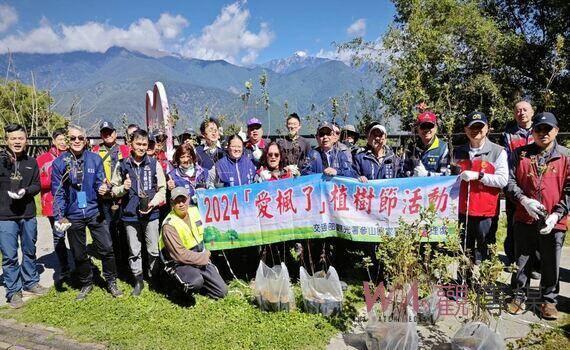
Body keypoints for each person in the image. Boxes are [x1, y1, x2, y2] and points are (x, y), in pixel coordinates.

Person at [506, 112, 568, 320]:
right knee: (522, 259)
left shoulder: (566, 157)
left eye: (547, 129)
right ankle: (519, 295)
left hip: (554, 221)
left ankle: (548, 300)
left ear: (556, 131)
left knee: (551, 261)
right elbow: (510, 182)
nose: (542, 133)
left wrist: (557, 215)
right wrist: (523, 200)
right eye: (538, 129)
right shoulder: (520, 154)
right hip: (525, 217)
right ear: (532, 132)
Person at [51, 125, 122, 300]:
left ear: (85, 140)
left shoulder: (94, 159)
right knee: (79, 252)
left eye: (80, 138)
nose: (76, 141)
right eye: (73, 138)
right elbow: (57, 192)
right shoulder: (60, 163)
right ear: (67, 140)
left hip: (94, 210)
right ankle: (86, 282)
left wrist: (103, 188)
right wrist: (60, 216)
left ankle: (111, 281)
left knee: (106, 248)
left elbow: (99, 182)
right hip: (73, 213)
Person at [111, 129, 167, 296]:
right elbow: (113, 189)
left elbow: (162, 189)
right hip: (130, 214)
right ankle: (138, 280)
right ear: (131, 144)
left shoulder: (154, 163)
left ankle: (154, 277)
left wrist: (153, 202)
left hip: (151, 213)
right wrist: (123, 188)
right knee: (134, 250)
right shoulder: (122, 165)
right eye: (138, 144)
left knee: (153, 249)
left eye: (144, 144)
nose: (142, 147)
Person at [0, 124, 47, 308]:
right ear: (6, 141)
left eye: (20, 138)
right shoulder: (1, 161)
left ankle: (31, 282)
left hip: (27, 214)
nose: (17, 142)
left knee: (29, 250)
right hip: (5, 216)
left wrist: (26, 191)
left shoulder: (32, 162)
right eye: (13, 138)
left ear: (26, 140)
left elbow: (37, 185)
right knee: (10, 255)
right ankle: (13, 291)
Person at [453, 112, 508, 264]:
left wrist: (479, 175)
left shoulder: (498, 151)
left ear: (487, 128)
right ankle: (464, 284)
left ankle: (486, 284)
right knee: (464, 250)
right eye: (472, 127)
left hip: (486, 212)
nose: (476, 130)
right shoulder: (458, 152)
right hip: (462, 210)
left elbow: (503, 180)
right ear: (466, 129)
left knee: (486, 250)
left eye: (480, 127)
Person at [159, 187, 227, 299]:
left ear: (189, 199)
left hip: (198, 256)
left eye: (183, 200)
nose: (181, 204)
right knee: (195, 282)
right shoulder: (169, 225)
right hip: (179, 263)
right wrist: (204, 257)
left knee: (221, 292)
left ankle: (199, 282)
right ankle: (174, 287)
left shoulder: (195, 211)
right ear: (172, 203)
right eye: (177, 201)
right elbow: (180, 255)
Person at [91, 121, 130, 274]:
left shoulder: (125, 149)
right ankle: (113, 262)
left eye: (110, 132)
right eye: (104, 133)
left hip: (122, 194)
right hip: (105, 197)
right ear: (101, 135)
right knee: (108, 229)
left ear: (115, 133)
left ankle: (125, 259)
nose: (108, 135)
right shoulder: (95, 151)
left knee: (124, 228)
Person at [502, 101, 535, 265]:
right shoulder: (508, 135)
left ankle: (536, 262)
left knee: (537, 222)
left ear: (532, 112)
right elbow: (506, 161)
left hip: (536, 184)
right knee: (513, 223)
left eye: (525, 110)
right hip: (514, 184)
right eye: (518, 110)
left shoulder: (540, 130)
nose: (521, 113)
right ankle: (512, 258)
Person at [37, 128, 70, 280]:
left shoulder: (72, 156)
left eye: (65, 139)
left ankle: (80, 262)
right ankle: (64, 266)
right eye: (60, 139)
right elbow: (38, 182)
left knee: (76, 233)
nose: (63, 143)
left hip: (72, 202)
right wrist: (55, 177)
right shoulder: (43, 159)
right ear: (54, 141)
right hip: (53, 203)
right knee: (59, 235)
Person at [403, 111, 450, 177]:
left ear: (435, 128)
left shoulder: (443, 148)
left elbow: (446, 175)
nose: (426, 130)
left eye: (430, 126)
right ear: (418, 129)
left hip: (435, 186)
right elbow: (404, 172)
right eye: (423, 126)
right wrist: (412, 174)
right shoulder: (411, 148)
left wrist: (427, 175)